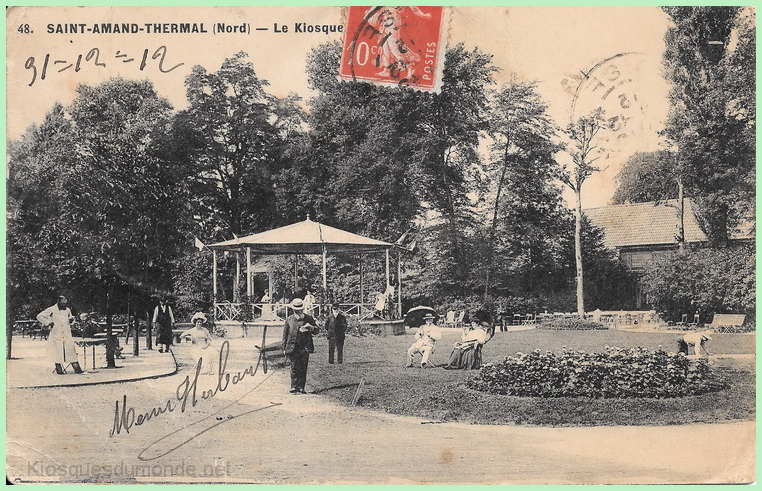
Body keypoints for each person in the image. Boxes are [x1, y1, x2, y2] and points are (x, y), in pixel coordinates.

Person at [37, 295, 84, 374]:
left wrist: (71, 320)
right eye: (63, 303)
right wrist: (48, 322)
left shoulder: (68, 310)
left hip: (66, 333)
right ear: (58, 301)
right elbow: (39, 316)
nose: (64, 304)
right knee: (57, 351)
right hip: (56, 333)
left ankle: (77, 369)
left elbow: (70, 320)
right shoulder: (51, 309)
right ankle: (59, 369)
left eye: (65, 302)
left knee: (70, 350)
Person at [281, 298, 319, 394]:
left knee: (303, 367)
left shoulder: (308, 318)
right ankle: (294, 386)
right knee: (294, 366)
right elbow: (285, 335)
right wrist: (284, 348)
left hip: (305, 347)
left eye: (300, 310)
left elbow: (316, 331)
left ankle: (301, 387)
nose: (298, 312)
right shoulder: (289, 319)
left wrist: (311, 328)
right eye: (296, 310)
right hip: (293, 347)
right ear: (293, 310)